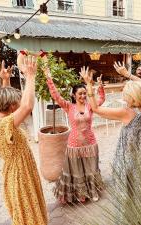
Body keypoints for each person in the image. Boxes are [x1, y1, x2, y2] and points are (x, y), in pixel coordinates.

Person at [80, 63, 141, 196]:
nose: (123, 96)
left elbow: (95, 109)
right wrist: (128, 75)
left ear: (131, 96)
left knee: (128, 193)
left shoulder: (126, 112)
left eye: (125, 93)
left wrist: (88, 84)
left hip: (128, 160)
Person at [0, 55, 48, 225]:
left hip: (17, 172)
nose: (18, 103)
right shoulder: (5, 124)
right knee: (28, 214)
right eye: (16, 102)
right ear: (13, 107)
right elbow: (28, 106)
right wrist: (30, 75)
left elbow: (4, 100)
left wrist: (5, 81)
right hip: (21, 176)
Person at [43, 61, 105, 204]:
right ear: (74, 95)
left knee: (91, 168)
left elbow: (101, 99)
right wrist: (49, 78)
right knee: (77, 171)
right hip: (74, 145)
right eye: (80, 93)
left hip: (90, 143)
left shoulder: (90, 106)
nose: (83, 96)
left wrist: (100, 86)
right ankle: (81, 194)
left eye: (85, 93)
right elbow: (56, 95)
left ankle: (93, 191)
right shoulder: (68, 106)